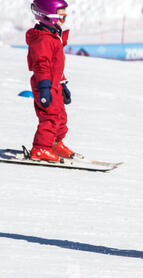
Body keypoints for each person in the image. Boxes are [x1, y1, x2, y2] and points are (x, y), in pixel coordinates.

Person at [26, 0, 74, 162]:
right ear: (47, 16)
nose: (63, 19)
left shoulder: (53, 36)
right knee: (50, 117)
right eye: (61, 16)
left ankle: (54, 143)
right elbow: (42, 65)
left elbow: (56, 65)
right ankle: (40, 148)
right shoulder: (43, 40)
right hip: (44, 83)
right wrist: (44, 86)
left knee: (61, 116)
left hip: (54, 83)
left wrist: (63, 84)